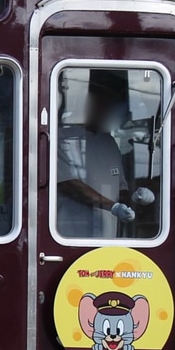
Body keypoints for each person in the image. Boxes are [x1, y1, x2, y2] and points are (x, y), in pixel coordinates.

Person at [57, 73, 139, 239]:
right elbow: (70, 184)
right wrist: (112, 207)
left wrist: (137, 197)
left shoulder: (108, 142)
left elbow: (121, 188)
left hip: (108, 236)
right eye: (106, 103)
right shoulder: (62, 137)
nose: (110, 111)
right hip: (69, 237)